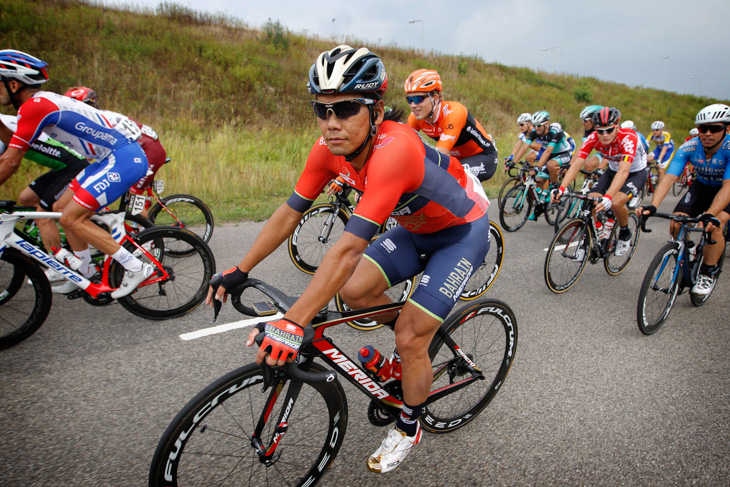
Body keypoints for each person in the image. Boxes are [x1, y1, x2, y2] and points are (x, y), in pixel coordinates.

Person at [207, 45, 491, 474]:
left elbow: (349, 246)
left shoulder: (396, 148)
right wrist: (239, 269)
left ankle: (410, 421)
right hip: (416, 228)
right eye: (321, 111)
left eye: (346, 109)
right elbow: (288, 213)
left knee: (411, 336)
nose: (332, 123)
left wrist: (293, 322)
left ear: (376, 112)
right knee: (355, 291)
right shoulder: (327, 149)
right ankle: (416, 345)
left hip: (461, 231)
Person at [0, 49, 152, 298]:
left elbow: (10, 160)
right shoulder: (36, 104)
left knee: (72, 218)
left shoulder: (35, 106)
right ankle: (84, 269)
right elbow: (18, 147)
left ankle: (136, 267)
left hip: (123, 157)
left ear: (14, 84)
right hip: (107, 158)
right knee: (60, 208)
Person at [636, 104, 730, 295]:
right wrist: (653, 206)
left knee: (714, 226)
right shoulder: (689, 147)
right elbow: (670, 178)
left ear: (727, 129)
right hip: (702, 187)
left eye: (715, 129)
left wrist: (710, 214)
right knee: (677, 222)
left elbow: (727, 187)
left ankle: (707, 272)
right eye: (704, 129)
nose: (708, 133)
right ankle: (687, 251)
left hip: (726, 189)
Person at [0, 113, 89, 282]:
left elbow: (7, 162)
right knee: (26, 198)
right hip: (62, 168)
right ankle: (58, 236)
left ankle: (56, 264)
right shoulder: (5, 121)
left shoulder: (3, 125)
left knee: (42, 217)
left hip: (73, 167)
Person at [552, 107, 647, 256]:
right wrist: (562, 188)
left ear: (617, 126)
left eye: (609, 130)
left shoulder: (629, 138)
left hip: (635, 172)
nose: (604, 135)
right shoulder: (593, 138)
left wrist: (608, 197)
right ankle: (595, 235)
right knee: (592, 199)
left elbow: (624, 170)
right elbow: (577, 163)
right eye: (600, 131)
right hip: (613, 170)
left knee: (615, 202)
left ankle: (624, 231)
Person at [64, 86, 167, 217]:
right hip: (140, 148)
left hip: (151, 151)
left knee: (134, 195)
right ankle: (143, 210)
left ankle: (147, 234)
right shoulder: (96, 117)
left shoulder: (98, 120)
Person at [404, 69, 498, 182]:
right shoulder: (415, 117)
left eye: (418, 99)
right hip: (457, 159)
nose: (413, 105)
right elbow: (405, 147)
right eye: (409, 100)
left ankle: (477, 200)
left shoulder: (454, 112)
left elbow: (439, 154)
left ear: (435, 98)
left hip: (484, 156)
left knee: (448, 176)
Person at [511, 110, 574, 219]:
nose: (537, 128)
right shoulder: (535, 132)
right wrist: (513, 162)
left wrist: (537, 167)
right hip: (552, 155)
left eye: (539, 125)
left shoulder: (555, 133)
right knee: (539, 179)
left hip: (564, 153)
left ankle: (555, 187)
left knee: (550, 164)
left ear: (546, 124)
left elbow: (548, 152)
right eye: (534, 125)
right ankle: (540, 208)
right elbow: (525, 147)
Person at [579, 105, 606, 171]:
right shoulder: (589, 130)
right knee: (588, 165)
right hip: (604, 153)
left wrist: (601, 167)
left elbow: (612, 151)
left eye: (585, 120)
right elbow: (582, 146)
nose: (583, 123)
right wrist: (571, 164)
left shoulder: (607, 131)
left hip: (617, 154)